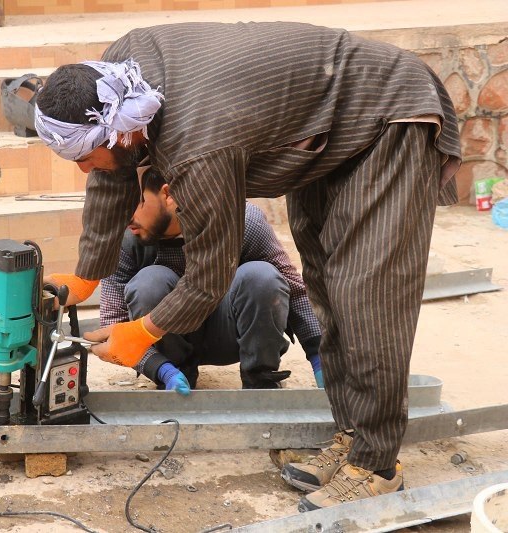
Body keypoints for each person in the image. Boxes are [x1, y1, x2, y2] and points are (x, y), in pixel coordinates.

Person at [35, 22, 461, 510]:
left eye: (85, 156)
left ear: (119, 132)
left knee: (366, 294)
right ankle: (354, 436)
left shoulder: (197, 146)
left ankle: (377, 466)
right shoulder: (111, 80)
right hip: (317, 128)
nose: (82, 170)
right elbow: (113, 171)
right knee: (327, 283)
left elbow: (210, 276)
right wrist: (87, 275)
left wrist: (144, 331)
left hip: (387, 113)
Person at [101, 166, 323, 392]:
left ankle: (260, 379)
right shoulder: (126, 239)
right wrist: (160, 368)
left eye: (135, 204)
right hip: (168, 342)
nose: (127, 218)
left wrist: (319, 356)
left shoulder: (241, 220)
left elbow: (294, 290)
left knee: (262, 276)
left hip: (231, 331)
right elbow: (113, 322)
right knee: (149, 282)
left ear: (167, 194)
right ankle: (178, 376)